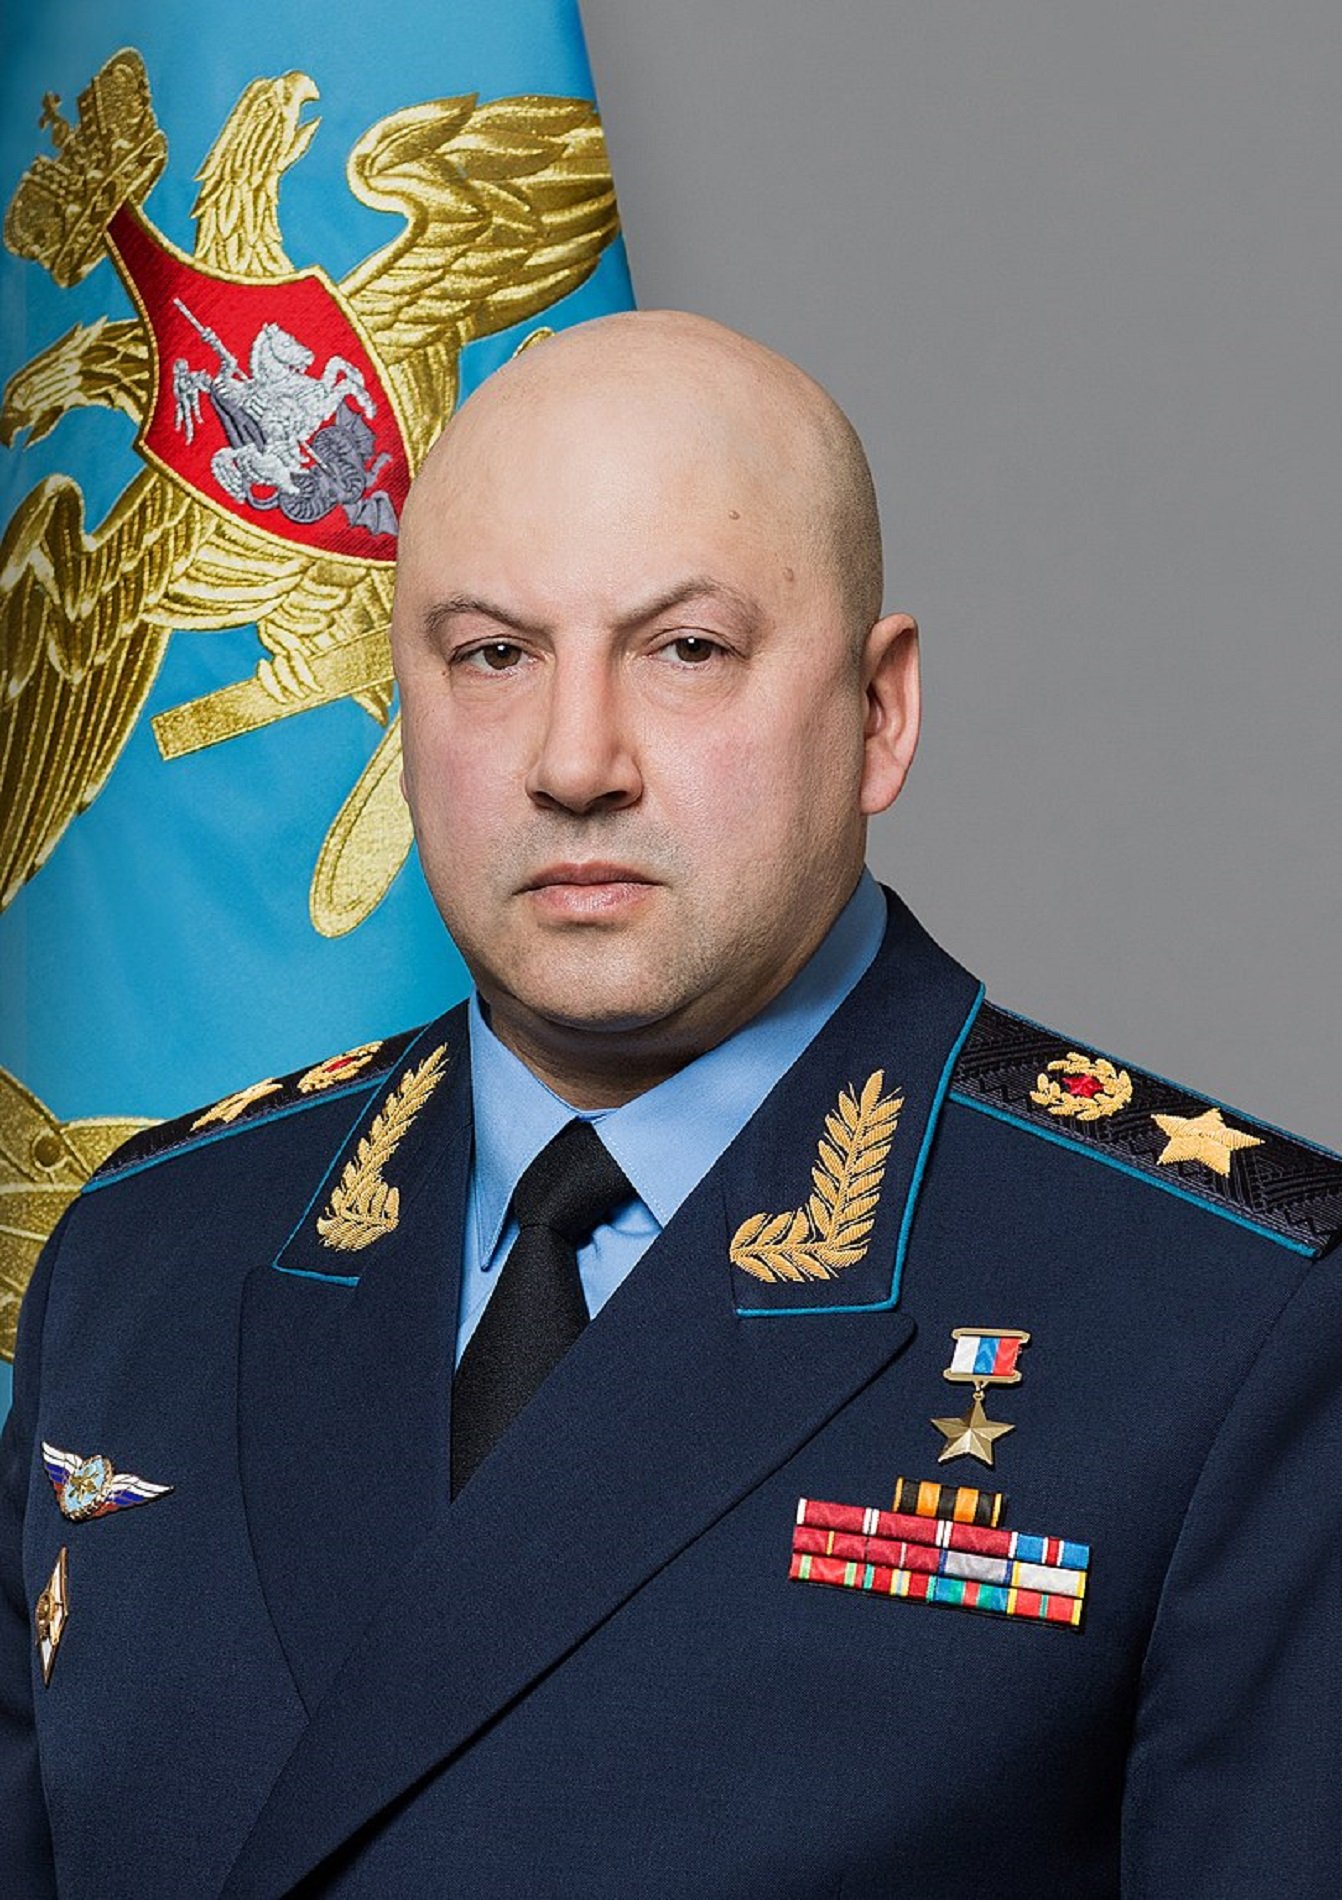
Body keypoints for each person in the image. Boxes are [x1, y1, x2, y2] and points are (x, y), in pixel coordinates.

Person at [2, 311, 1340, 1899]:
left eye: (685, 651)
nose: (576, 761)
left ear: (877, 713)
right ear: (402, 707)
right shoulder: (147, 1255)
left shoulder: (1228, 1321)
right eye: (492, 655)